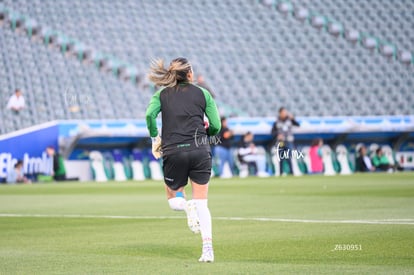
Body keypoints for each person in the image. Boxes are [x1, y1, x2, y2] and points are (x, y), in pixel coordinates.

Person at [145, 57, 221, 262]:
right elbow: (216, 125)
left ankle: (186, 206)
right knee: (202, 203)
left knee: (173, 199)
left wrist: (155, 137)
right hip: (200, 150)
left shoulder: (161, 94)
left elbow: (149, 116)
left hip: (173, 151)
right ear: (189, 74)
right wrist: (208, 133)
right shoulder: (203, 92)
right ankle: (207, 250)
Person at [270, 107, 300, 175]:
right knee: (281, 157)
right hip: (281, 142)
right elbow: (272, 132)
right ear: (280, 113)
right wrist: (278, 135)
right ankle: (281, 172)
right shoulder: (277, 122)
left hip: (289, 141)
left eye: (285, 112)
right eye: (283, 112)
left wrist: (293, 119)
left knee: (289, 157)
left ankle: (291, 172)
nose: (285, 113)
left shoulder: (290, 120)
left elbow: (298, 125)